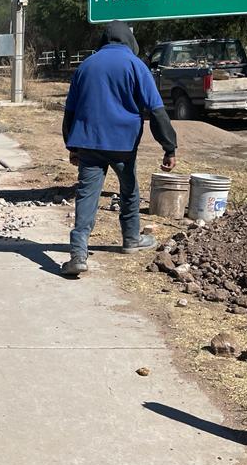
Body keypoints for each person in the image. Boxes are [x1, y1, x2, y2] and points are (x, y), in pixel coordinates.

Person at [61, 20, 178, 277]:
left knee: (87, 195)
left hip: (89, 142)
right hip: (123, 144)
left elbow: (70, 110)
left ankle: (79, 253)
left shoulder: (86, 66)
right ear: (129, 41)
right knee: (129, 190)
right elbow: (156, 111)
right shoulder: (136, 66)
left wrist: (72, 145)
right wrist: (169, 147)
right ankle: (130, 239)